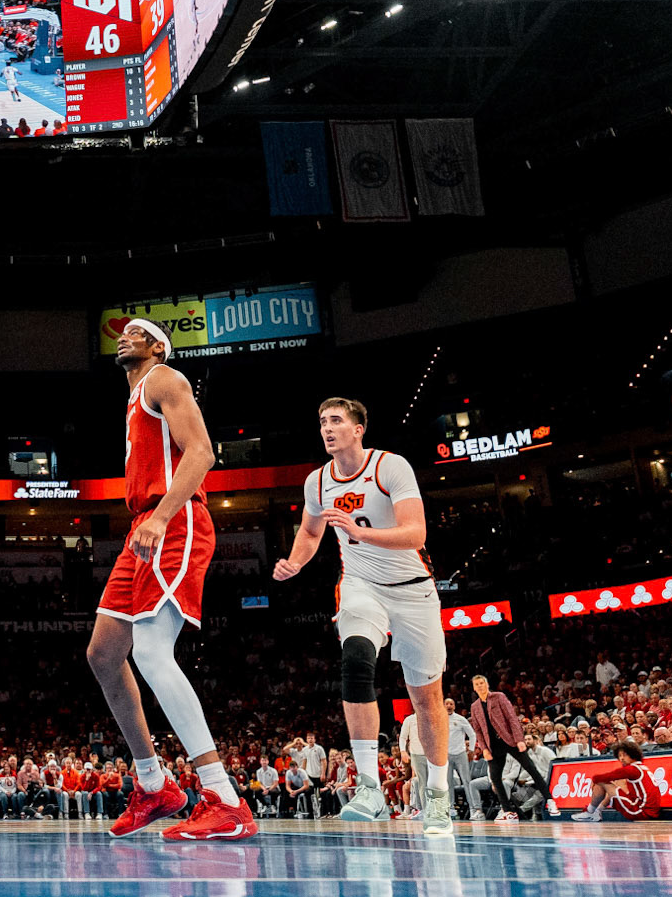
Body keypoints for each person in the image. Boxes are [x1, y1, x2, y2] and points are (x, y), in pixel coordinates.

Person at [87, 319, 255, 841]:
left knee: (154, 652)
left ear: (158, 345)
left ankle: (223, 798)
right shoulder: (137, 396)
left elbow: (203, 453)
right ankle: (154, 783)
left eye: (137, 332)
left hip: (173, 521)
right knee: (103, 653)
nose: (125, 336)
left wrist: (161, 516)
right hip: (145, 525)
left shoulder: (163, 379)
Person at [273, 397, 454, 835]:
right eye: (322, 422)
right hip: (360, 586)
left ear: (358, 429)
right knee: (355, 661)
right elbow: (311, 530)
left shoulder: (390, 467)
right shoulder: (317, 482)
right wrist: (296, 561)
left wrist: (360, 532)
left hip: (413, 590)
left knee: (426, 698)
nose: (327, 428)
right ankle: (370, 785)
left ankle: (437, 794)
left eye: (336, 421)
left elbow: (416, 533)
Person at [469, 672, 555, 824]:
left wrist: (519, 739)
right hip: (492, 746)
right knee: (495, 778)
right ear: (474, 688)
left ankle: (550, 800)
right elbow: (478, 730)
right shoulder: (474, 707)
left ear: (487, 684)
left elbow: (512, 718)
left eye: (482, 683)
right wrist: (484, 749)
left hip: (509, 740)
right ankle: (508, 811)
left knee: (531, 768)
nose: (480, 686)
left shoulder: (498, 697)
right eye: (477, 684)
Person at [583, 739, 661, 822]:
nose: (622, 758)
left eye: (624, 755)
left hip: (641, 811)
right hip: (651, 811)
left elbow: (604, 777)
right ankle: (596, 812)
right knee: (615, 783)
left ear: (633, 754)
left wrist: (594, 780)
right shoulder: (642, 767)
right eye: (619, 756)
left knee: (603, 782)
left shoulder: (632, 769)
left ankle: (590, 811)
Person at [445, 697, 480, 817]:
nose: (449, 706)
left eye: (451, 703)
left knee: (466, 781)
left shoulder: (460, 719)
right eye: (447, 704)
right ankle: (450, 808)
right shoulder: (439, 720)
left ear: (454, 706)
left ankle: (473, 808)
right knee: (448, 783)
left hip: (460, 754)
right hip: (446, 755)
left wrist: (471, 750)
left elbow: (472, 734)